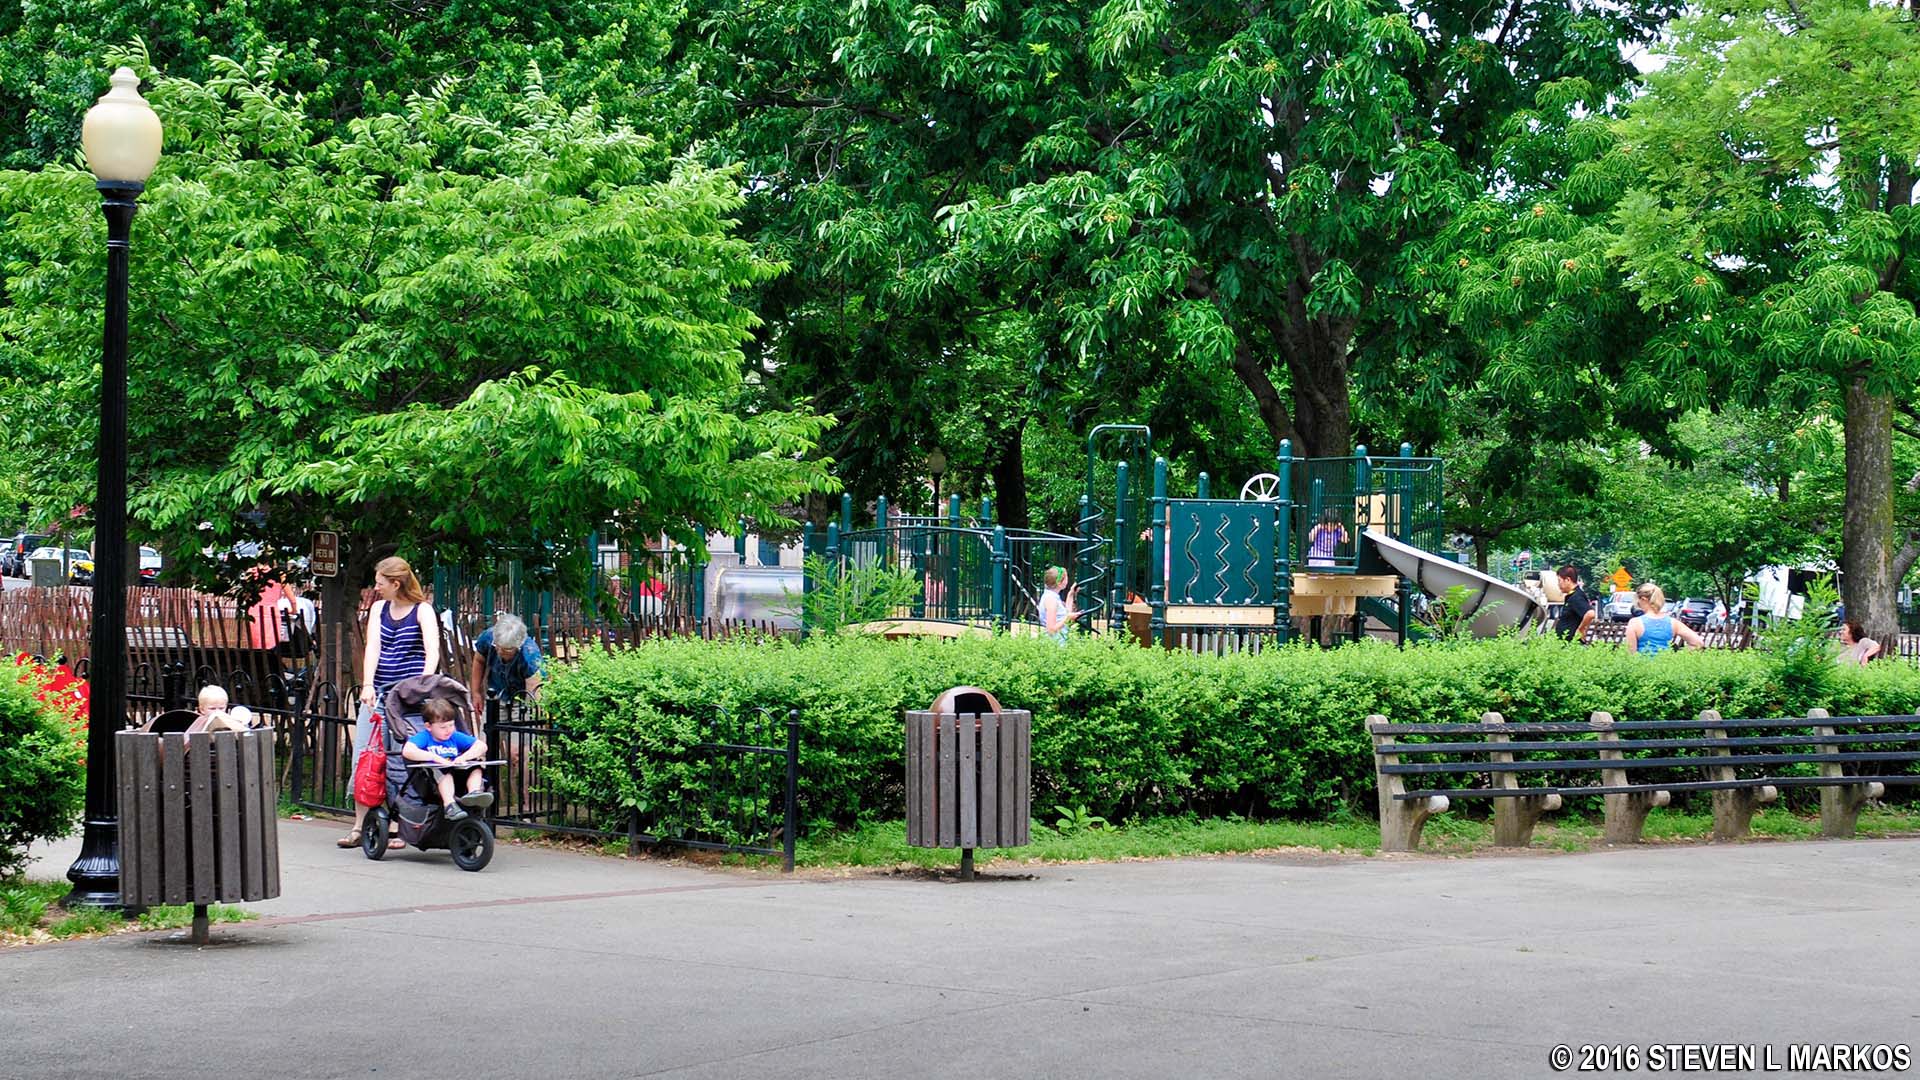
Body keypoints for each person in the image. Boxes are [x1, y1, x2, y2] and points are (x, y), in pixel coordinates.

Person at [342, 556, 439, 849]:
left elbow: (431, 652)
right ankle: (360, 825)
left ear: (396, 583)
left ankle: (397, 826)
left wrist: (422, 686)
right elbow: (373, 647)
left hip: (409, 698)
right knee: (366, 756)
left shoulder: (423, 611)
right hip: (381, 694)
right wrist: (368, 685)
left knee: (401, 760)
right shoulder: (379, 609)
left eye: (380, 583)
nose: (376, 587)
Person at [400, 698, 490, 821]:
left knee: (476, 767)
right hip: (432, 781)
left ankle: (474, 794)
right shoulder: (424, 737)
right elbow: (408, 750)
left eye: (451, 725)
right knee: (443, 771)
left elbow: (481, 746)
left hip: (457, 774)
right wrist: (434, 758)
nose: (449, 730)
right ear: (429, 726)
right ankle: (449, 805)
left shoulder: (454, 736)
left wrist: (463, 757)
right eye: (443, 727)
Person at [469, 612, 545, 715]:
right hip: (495, 695)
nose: (500, 652)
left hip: (521, 699)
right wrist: (476, 692)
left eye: (506, 650)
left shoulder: (530, 656)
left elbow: (533, 696)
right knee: (490, 724)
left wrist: (529, 715)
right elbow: (479, 660)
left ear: (518, 647)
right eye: (497, 646)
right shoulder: (488, 637)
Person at [1623, 582, 1704, 654]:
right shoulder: (1673, 622)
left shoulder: (1635, 623)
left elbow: (1630, 654)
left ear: (1643, 599)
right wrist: (1679, 657)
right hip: (1665, 664)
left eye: (1637, 601)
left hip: (1642, 665)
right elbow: (1698, 643)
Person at [1553, 565, 1597, 643]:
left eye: (1559, 581)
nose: (1558, 584)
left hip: (1571, 643)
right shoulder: (1572, 595)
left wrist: (1581, 629)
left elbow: (1590, 613)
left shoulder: (1576, 597)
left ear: (1567, 580)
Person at [1038, 566, 1079, 645]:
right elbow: (1051, 629)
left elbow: (1066, 613)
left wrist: (1071, 594)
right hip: (1055, 645)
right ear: (1059, 583)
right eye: (1066, 578)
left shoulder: (1052, 596)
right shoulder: (1051, 600)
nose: (1067, 580)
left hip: (1059, 642)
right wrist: (1067, 618)